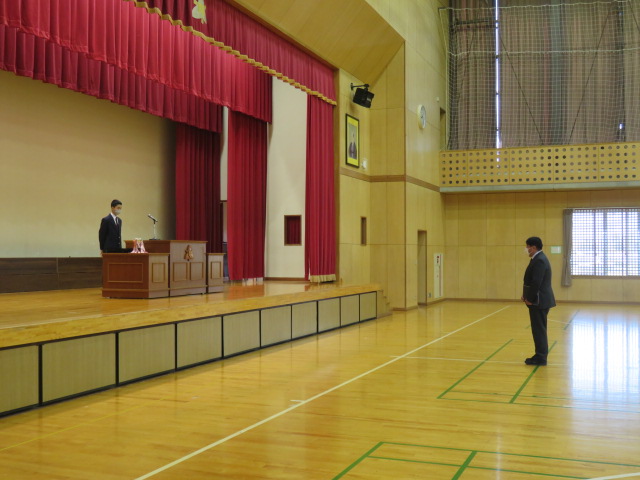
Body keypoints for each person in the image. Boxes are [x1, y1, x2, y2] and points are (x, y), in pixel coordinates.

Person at [521, 236, 556, 366]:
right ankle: (539, 355)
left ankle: (541, 357)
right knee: (537, 329)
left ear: (534, 247)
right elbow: (531, 281)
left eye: (528, 246)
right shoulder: (537, 259)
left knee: (539, 330)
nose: (526, 249)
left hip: (539, 301)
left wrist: (530, 298)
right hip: (538, 300)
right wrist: (525, 295)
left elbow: (537, 282)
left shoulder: (540, 260)